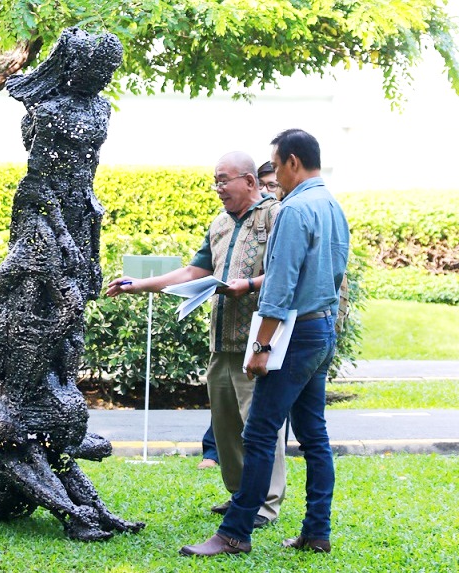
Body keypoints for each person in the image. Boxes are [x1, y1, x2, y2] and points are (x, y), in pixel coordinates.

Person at [181, 129, 350, 557]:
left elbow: (280, 284)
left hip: (294, 334)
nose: (272, 176)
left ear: (293, 162)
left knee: (257, 433)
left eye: (275, 166)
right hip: (322, 329)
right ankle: (317, 532)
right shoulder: (331, 205)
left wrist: (260, 347)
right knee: (314, 437)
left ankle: (235, 533)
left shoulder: (293, 209)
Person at [107, 151, 286, 529]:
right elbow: (193, 271)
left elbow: (286, 273)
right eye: (215, 181)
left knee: (260, 428)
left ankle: (266, 504)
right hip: (221, 341)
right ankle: (241, 496)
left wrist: (248, 285)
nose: (218, 188)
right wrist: (139, 285)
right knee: (226, 426)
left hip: (257, 341)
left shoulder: (275, 215)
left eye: (224, 180)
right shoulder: (219, 223)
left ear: (249, 181)